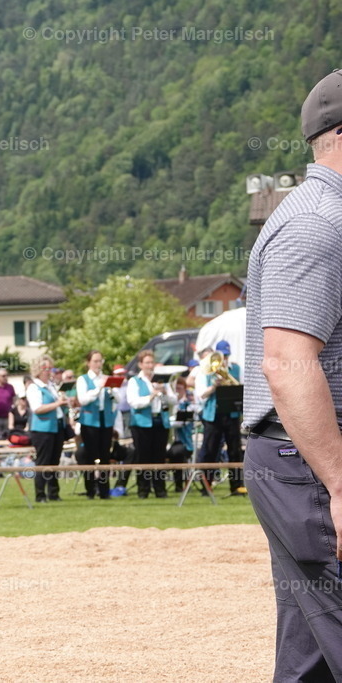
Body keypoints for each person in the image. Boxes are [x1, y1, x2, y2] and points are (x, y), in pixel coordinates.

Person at [244, 69, 342, 680]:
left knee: (310, 662)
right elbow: (286, 362)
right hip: (309, 467)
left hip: (299, 463)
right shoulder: (318, 224)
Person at [195, 340, 246, 495]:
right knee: (210, 451)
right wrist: (214, 386)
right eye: (223, 356)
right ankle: (206, 486)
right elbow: (201, 395)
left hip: (231, 414)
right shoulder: (205, 371)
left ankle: (236, 486)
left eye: (227, 355)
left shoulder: (235, 369)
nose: (225, 359)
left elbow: (242, 388)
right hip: (213, 415)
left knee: (235, 451)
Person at [126, 350, 175, 499]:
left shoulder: (161, 380)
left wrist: (165, 392)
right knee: (143, 457)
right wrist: (152, 395)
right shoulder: (134, 381)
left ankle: (160, 489)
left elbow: (174, 400)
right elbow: (134, 402)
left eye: (151, 362)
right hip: (141, 424)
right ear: (141, 364)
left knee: (159, 457)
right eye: (147, 362)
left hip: (160, 421)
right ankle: (143, 490)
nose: (150, 365)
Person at [76, 350, 116, 499]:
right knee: (90, 456)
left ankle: (104, 491)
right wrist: (98, 388)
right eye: (95, 361)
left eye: (100, 361)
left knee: (105, 456)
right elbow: (83, 400)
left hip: (105, 420)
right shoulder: (83, 379)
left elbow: (115, 400)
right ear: (89, 363)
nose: (98, 364)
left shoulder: (105, 378)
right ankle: (90, 490)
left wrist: (112, 389)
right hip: (89, 421)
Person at [26, 355, 67, 502]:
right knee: (43, 462)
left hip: (56, 427)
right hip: (42, 429)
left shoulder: (51, 386)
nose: (48, 371)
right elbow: (37, 408)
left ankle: (54, 493)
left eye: (50, 368)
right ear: (38, 370)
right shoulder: (34, 387)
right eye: (45, 368)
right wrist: (57, 404)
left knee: (54, 461)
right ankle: (40, 494)